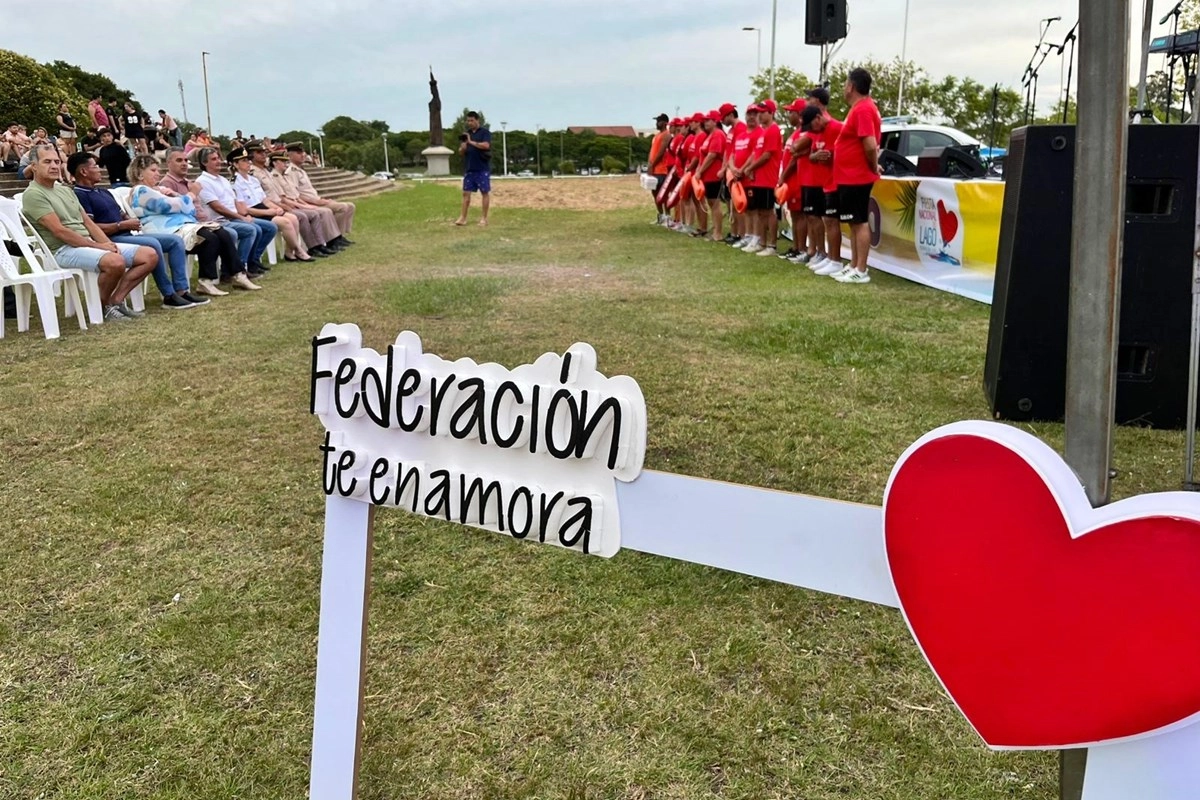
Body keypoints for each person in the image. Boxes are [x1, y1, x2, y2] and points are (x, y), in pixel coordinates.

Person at [21, 143, 157, 321]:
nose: (54, 166)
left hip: (86, 244)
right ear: (34, 166)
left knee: (149, 255)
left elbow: (88, 223)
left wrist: (108, 245)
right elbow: (60, 231)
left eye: (56, 161)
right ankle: (103, 307)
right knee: (115, 262)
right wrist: (98, 246)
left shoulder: (64, 190)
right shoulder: (33, 194)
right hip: (61, 250)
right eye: (47, 162)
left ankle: (115, 301)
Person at [69, 152, 207, 309]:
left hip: (126, 234)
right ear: (83, 171)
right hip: (110, 238)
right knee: (153, 243)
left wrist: (126, 218)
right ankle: (168, 295)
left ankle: (182, 290)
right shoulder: (80, 195)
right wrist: (121, 225)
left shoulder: (103, 192)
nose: (100, 170)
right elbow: (90, 227)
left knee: (175, 241)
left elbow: (119, 214)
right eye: (95, 166)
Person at [130, 151, 260, 295]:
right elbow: (170, 206)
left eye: (158, 170)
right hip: (165, 230)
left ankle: (237, 274)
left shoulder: (158, 190)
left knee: (221, 233)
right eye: (153, 170)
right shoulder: (141, 191)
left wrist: (177, 197)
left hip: (182, 226)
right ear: (140, 174)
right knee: (208, 237)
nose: (158, 174)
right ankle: (207, 280)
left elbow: (189, 209)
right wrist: (191, 194)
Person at [832, 67, 882, 284]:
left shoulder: (863, 109)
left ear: (851, 86)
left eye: (845, 83)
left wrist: (873, 166)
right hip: (848, 176)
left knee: (859, 221)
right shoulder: (859, 108)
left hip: (857, 176)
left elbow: (870, 145)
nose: (844, 88)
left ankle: (861, 269)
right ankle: (853, 264)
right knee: (853, 222)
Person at [196, 146, 274, 276]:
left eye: (218, 158)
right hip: (218, 221)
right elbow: (218, 207)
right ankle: (239, 268)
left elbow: (235, 201)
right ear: (204, 163)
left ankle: (250, 262)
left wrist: (245, 215)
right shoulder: (203, 181)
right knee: (251, 229)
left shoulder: (222, 180)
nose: (218, 161)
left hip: (232, 217)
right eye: (214, 159)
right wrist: (241, 217)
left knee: (265, 228)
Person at [248, 144, 335, 259]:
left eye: (264, 152)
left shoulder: (266, 172)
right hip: (270, 208)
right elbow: (263, 199)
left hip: (280, 205)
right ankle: (311, 247)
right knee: (302, 216)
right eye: (259, 152)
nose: (264, 154)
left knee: (310, 214)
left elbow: (280, 195)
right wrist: (282, 207)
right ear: (251, 155)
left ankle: (315, 245)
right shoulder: (253, 174)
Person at [230, 145, 311, 262]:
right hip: (253, 212)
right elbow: (244, 209)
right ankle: (298, 250)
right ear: (236, 164)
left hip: (263, 208)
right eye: (244, 160)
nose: (248, 162)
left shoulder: (253, 180)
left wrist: (276, 208)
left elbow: (265, 200)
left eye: (248, 159)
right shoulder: (234, 182)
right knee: (286, 222)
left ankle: (289, 251)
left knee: (293, 218)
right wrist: (269, 211)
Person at [265, 150, 343, 257]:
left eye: (286, 162)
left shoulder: (284, 176)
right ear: (274, 163)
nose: (285, 164)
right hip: (288, 206)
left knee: (316, 213)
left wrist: (306, 205)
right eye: (282, 161)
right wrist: (304, 206)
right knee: (307, 215)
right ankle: (313, 247)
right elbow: (284, 199)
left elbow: (296, 195)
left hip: (295, 203)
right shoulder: (274, 176)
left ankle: (320, 244)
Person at [806, 106, 847, 278]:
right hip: (826, 182)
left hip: (837, 181)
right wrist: (815, 156)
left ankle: (836, 260)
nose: (811, 132)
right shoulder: (818, 133)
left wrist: (829, 154)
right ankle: (831, 258)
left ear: (817, 118)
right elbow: (812, 154)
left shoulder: (837, 128)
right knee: (827, 220)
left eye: (810, 126)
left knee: (832, 220)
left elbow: (845, 152)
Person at [284, 143, 355, 242]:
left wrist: (320, 199)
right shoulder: (291, 171)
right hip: (308, 203)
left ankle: (340, 235)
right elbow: (296, 195)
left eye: (303, 152)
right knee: (342, 208)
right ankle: (335, 238)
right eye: (299, 153)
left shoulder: (300, 169)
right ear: (289, 156)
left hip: (316, 199)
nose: (303, 155)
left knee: (350, 206)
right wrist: (316, 202)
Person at [778, 98, 815, 263]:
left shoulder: (804, 133)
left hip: (798, 179)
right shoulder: (795, 132)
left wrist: (783, 176)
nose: (788, 114)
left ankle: (801, 248)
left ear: (799, 114)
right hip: (792, 181)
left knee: (800, 216)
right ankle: (796, 247)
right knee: (794, 214)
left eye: (791, 112)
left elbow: (794, 159)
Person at [454, 111, 491, 226]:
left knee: (484, 192)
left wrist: (471, 142)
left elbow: (486, 145)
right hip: (469, 168)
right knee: (466, 193)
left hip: (482, 168)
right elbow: (461, 152)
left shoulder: (485, 132)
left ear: (477, 120)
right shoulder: (466, 134)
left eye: (472, 120)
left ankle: (484, 218)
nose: (469, 123)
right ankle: (463, 217)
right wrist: (463, 147)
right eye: (468, 120)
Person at [697, 110, 728, 242]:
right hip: (708, 175)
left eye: (709, 120)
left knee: (715, 204)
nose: (706, 122)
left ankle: (718, 232)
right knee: (711, 203)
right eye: (705, 120)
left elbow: (712, 155)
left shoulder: (718, 134)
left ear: (715, 121)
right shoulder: (709, 135)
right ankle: (715, 230)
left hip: (714, 174)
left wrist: (700, 170)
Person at [648, 113, 671, 225]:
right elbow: (652, 151)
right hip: (654, 169)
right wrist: (650, 164)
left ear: (665, 123)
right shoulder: (656, 136)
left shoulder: (666, 135)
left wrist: (653, 164)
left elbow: (661, 152)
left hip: (662, 169)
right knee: (655, 193)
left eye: (659, 121)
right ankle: (661, 215)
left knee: (663, 193)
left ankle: (667, 216)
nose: (657, 123)